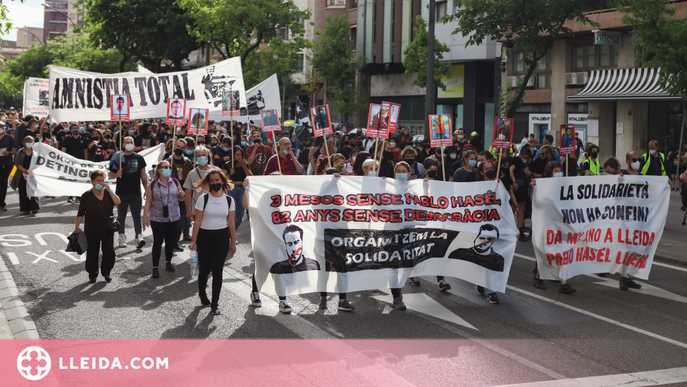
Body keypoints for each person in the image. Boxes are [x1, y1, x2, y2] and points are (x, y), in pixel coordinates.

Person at [189, 170, 236, 315]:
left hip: (222, 237)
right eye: (212, 181)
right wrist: (194, 240)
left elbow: (231, 223)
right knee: (204, 269)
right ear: (209, 183)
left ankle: (215, 303)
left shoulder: (229, 200)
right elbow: (197, 221)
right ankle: (202, 294)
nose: (215, 183)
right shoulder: (203, 199)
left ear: (223, 181)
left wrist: (233, 243)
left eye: (217, 180)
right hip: (205, 236)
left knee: (218, 270)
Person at [530, 161, 576, 294]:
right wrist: (534, 188)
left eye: (560, 171)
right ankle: (538, 277)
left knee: (563, 250)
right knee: (545, 250)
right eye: (555, 171)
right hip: (547, 223)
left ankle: (563, 282)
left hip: (561, 223)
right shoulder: (542, 185)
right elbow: (535, 202)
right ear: (550, 173)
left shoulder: (565, 186)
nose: (558, 173)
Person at [75, 170, 121, 283]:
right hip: (92, 229)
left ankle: (106, 272)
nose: (101, 183)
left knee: (109, 250)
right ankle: (93, 273)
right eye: (98, 181)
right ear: (92, 182)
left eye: (102, 180)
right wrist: (77, 226)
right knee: (92, 252)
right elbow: (80, 213)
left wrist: (110, 191)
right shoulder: (86, 196)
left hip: (107, 229)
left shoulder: (107, 193)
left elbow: (118, 202)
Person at [143, 160, 186, 278]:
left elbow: (181, 198)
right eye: (165, 167)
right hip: (157, 218)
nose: (168, 168)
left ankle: (168, 262)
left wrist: (182, 194)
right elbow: (148, 201)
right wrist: (144, 217)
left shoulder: (175, 182)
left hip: (173, 217)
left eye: (169, 167)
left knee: (170, 241)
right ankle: (155, 267)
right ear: (159, 170)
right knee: (158, 241)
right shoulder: (152, 184)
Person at [109, 136, 148, 249]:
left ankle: (139, 236)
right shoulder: (117, 157)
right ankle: (121, 236)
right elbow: (111, 175)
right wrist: (117, 174)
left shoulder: (139, 158)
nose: (130, 144)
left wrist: (146, 190)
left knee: (137, 216)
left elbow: (143, 176)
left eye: (131, 142)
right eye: (127, 142)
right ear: (123, 145)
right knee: (121, 216)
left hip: (136, 192)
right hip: (122, 193)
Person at [184, 146, 216, 226]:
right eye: (199, 156)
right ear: (195, 158)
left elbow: (223, 190)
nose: (201, 157)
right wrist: (188, 210)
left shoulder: (216, 171)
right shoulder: (192, 173)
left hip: (215, 208)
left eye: (203, 155)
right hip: (198, 209)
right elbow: (188, 193)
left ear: (207, 156)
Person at [222, 145, 251, 230]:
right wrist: (230, 173)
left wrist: (244, 166)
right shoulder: (228, 165)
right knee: (232, 215)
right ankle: (231, 236)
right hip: (231, 189)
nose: (240, 156)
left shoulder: (245, 164)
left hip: (242, 189)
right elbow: (222, 179)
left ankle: (231, 234)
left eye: (241, 154)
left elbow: (251, 176)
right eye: (237, 154)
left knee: (239, 217)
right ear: (233, 155)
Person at [12, 137, 40, 214]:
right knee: (23, 191)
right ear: (24, 143)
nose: (29, 143)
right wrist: (24, 170)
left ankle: (34, 207)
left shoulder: (35, 151)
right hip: (22, 174)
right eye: (27, 141)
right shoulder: (20, 151)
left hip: (32, 174)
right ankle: (25, 209)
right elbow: (17, 163)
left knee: (33, 190)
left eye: (31, 141)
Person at [0, 122, 17, 211]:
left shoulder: (9, 138)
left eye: (1, 126)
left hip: (5, 164)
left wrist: (9, 153)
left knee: (2, 185)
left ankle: (1, 204)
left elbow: (14, 150)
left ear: (4, 127)